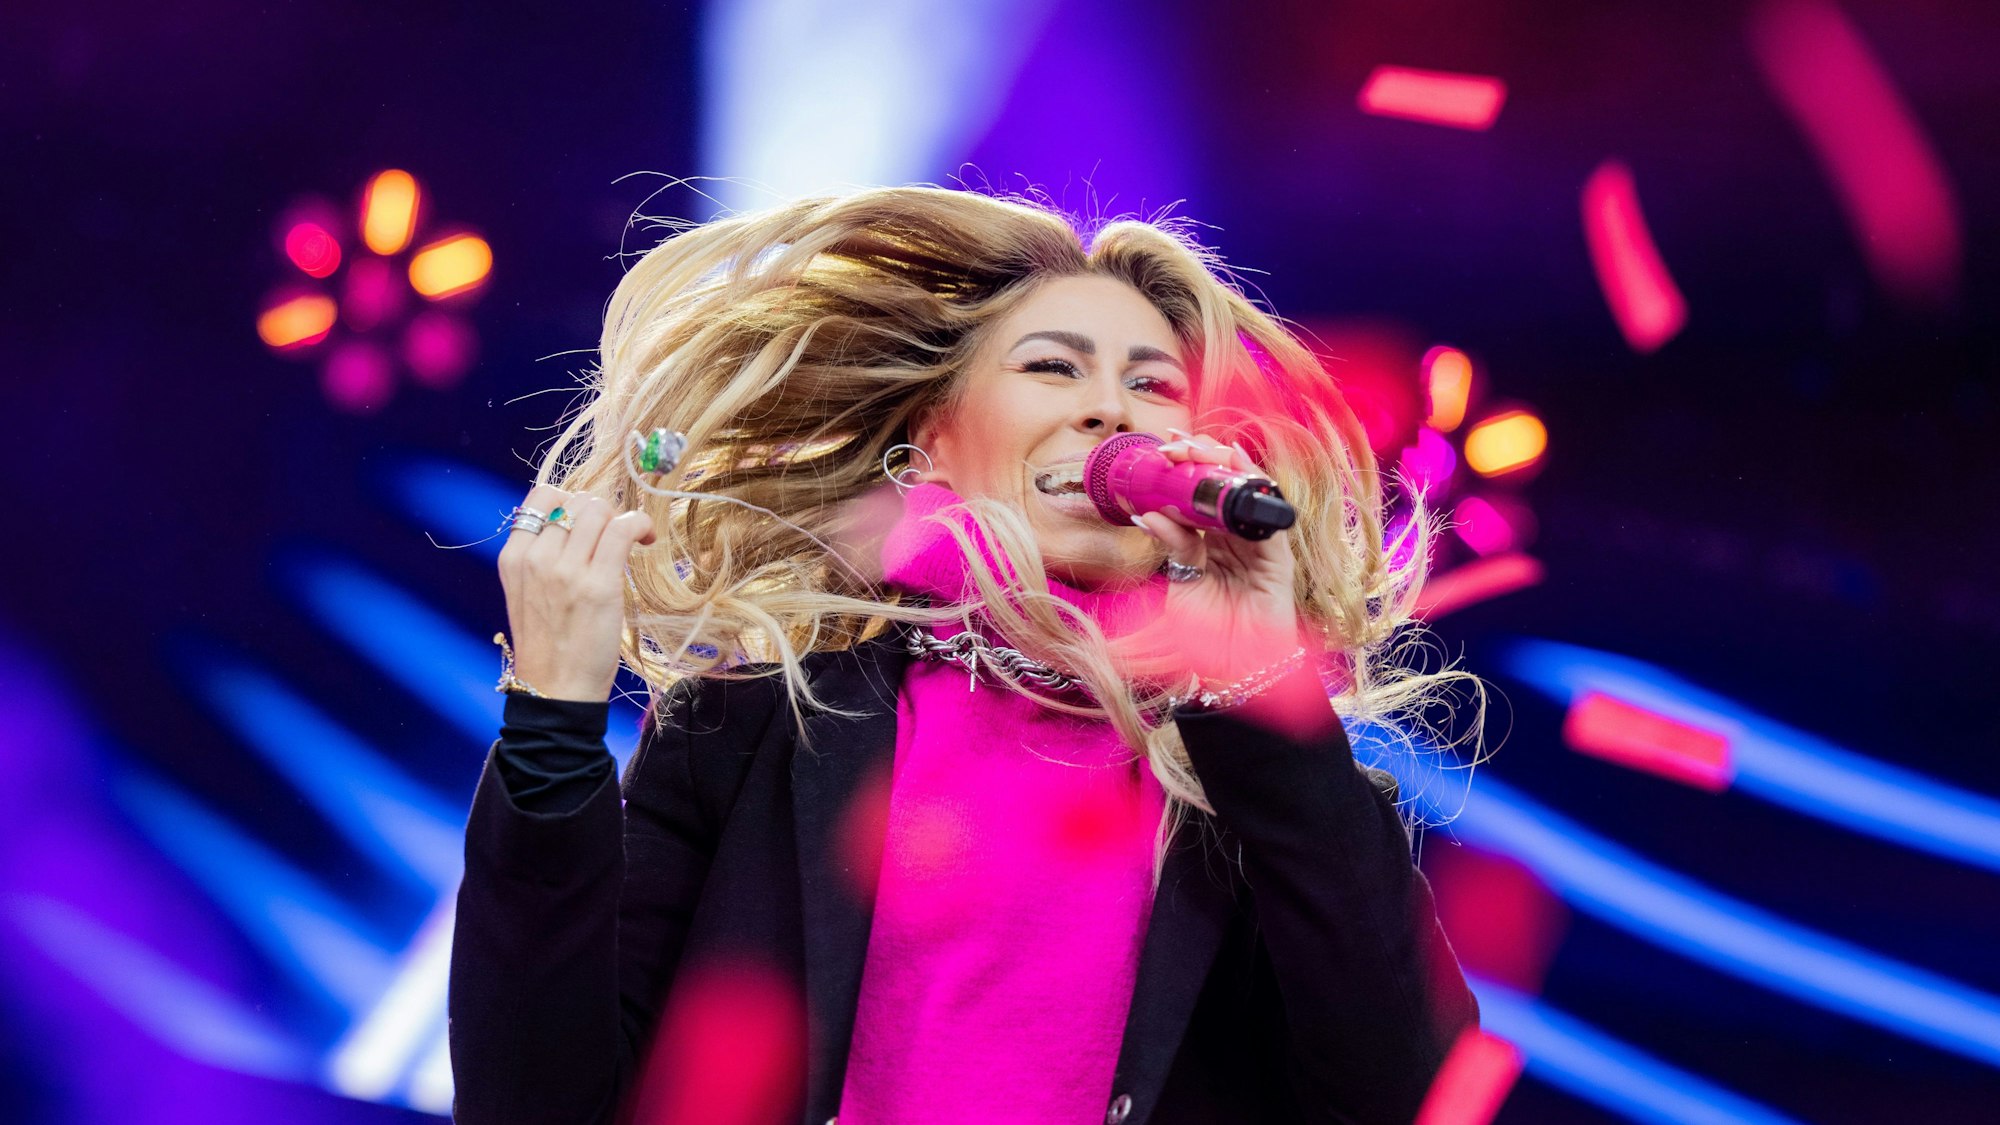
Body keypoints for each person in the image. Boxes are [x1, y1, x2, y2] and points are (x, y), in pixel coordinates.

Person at [448, 185, 1485, 1125]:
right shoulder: (753, 731)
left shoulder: (1258, 792)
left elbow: (1409, 1097)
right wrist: (552, 710)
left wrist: (1260, 689)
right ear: (931, 440)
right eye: (1051, 368)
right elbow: (537, 1103)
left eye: (1153, 386)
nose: (1109, 409)